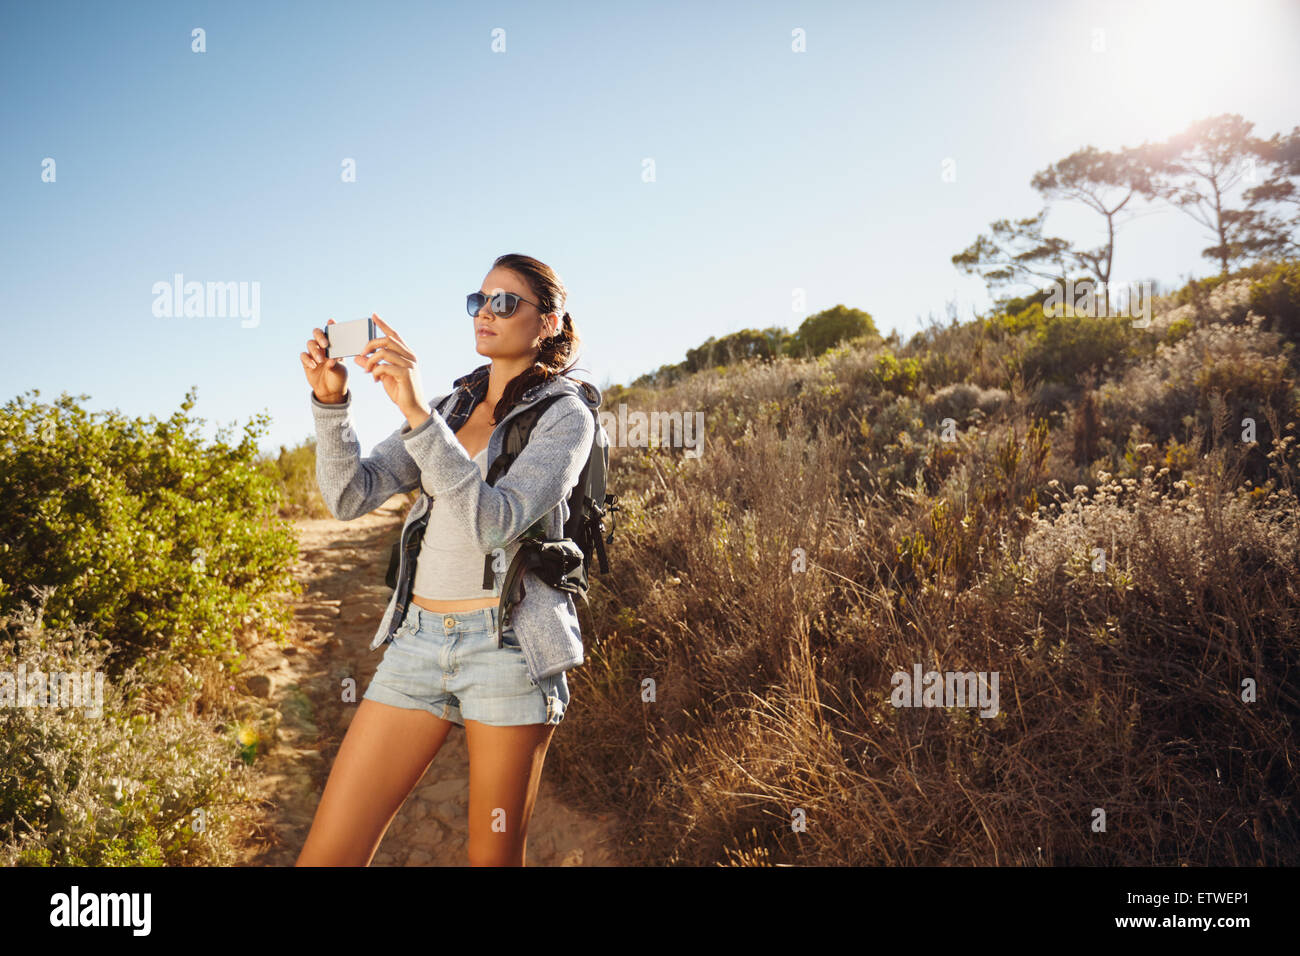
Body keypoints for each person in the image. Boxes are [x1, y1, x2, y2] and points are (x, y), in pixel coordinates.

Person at [294, 253, 599, 866]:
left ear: (549, 321)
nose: (486, 312)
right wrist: (332, 405)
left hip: (508, 649)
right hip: (417, 644)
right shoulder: (453, 407)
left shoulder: (566, 416)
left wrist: (414, 414)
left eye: (505, 302)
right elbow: (350, 495)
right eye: (479, 301)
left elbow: (498, 523)